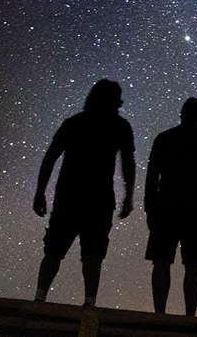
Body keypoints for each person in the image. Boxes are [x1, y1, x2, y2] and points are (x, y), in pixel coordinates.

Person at [32, 79, 136, 307]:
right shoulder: (120, 126)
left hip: (68, 196)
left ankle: (40, 297)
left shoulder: (73, 123)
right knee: (93, 252)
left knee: (54, 249)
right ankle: (89, 301)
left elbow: (50, 158)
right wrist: (129, 195)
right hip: (99, 199)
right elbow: (127, 162)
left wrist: (40, 192)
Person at [144, 98, 197, 316]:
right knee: (193, 264)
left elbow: (151, 177)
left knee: (161, 260)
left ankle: (160, 312)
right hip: (196, 212)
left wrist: (149, 207)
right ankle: (190, 315)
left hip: (166, 207)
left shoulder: (164, 139)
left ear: (182, 113)